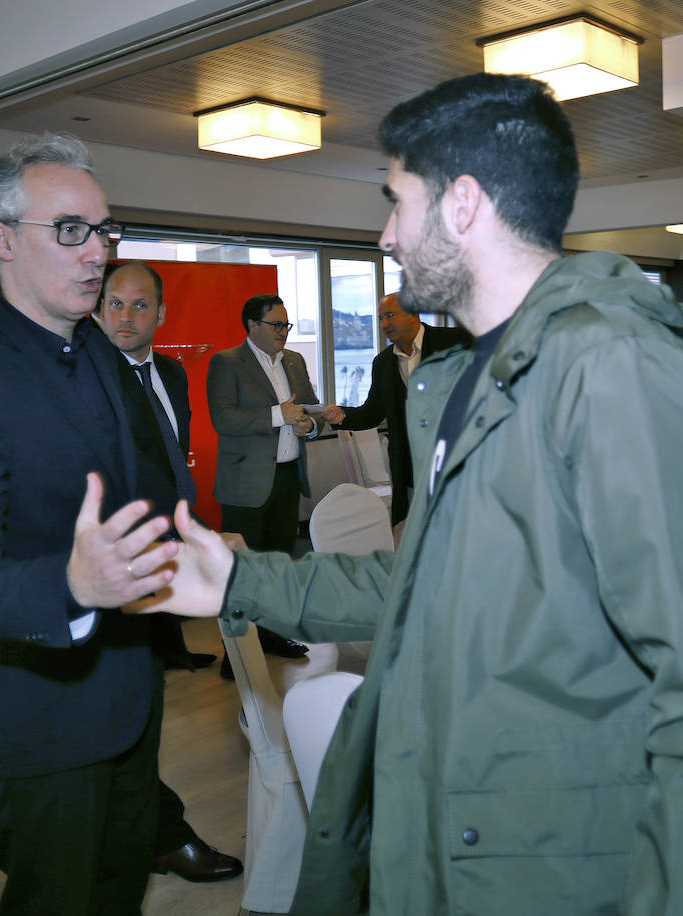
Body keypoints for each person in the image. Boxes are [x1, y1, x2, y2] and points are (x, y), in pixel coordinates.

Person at [129, 74, 683, 914]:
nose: (383, 236)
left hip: (541, 869)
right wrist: (234, 582)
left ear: (465, 203)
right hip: (443, 841)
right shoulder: (459, 379)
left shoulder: (613, 366)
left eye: (396, 204)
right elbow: (410, 586)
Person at [0, 133, 188, 914]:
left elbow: (135, 485)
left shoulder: (95, 346)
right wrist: (70, 582)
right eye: (71, 230)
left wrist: (183, 540)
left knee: (120, 891)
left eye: (104, 230)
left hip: (127, 691)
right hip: (39, 719)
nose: (97, 252)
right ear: (1, 241)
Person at [93, 259, 244, 884]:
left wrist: (193, 527)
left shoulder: (174, 374)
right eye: (113, 305)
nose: (123, 318)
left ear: (161, 314)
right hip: (117, 568)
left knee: (140, 708)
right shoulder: (88, 378)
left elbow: (170, 465)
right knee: (126, 710)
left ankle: (145, 832)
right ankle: (156, 834)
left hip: (165, 556)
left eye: (137, 306)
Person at [205, 293, 317, 665]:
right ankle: (234, 654)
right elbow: (223, 418)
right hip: (245, 484)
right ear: (252, 325)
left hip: (287, 477)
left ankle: (273, 636)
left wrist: (309, 424)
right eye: (276, 325)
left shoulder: (296, 361)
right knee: (242, 570)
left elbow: (309, 409)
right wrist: (279, 415)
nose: (283, 332)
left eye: (286, 325)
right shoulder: (227, 362)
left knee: (278, 564)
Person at [319, 293, 470, 523]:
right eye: (380, 319)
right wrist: (341, 415)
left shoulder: (456, 342)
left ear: (413, 315)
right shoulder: (383, 363)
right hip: (410, 472)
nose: (385, 324)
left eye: (390, 316)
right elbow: (371, 413)